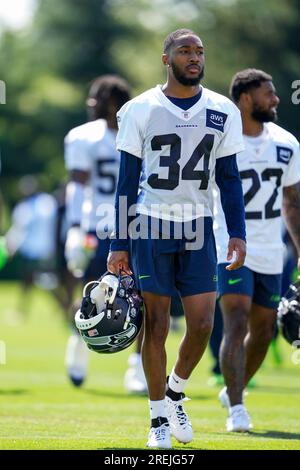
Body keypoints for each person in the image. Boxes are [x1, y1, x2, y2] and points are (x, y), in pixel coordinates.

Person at [107, 28, 246, 449]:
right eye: (185, 51)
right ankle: (157, 421)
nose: (194, 58)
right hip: (151, 224)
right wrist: (119, 241)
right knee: (158, 326)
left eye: (199, 51)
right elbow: (126, 181)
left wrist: (237, 232)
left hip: (198, 225)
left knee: (204, 323)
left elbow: (230, 178)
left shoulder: (222, 109)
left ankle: (174, 391)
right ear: (166, 59)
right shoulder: (141, 108)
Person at [214, 69, 300, 432]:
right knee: (235, 321)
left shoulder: (287, 143)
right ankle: (237, 408)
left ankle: (235, 387)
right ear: (246, 98)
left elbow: (292, 202)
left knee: (264, 330)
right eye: (268, 93)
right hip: (230, 244)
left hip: (269, 248)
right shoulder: (220, 139)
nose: (276, 99)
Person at [63, 75, 147, 392]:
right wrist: (74, 228)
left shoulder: (138, 132)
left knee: (142, 298)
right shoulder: (84, 137)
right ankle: (78, 346)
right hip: (97, 226)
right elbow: (77, 185)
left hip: (135, 223)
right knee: (92, 294)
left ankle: (136, 368)